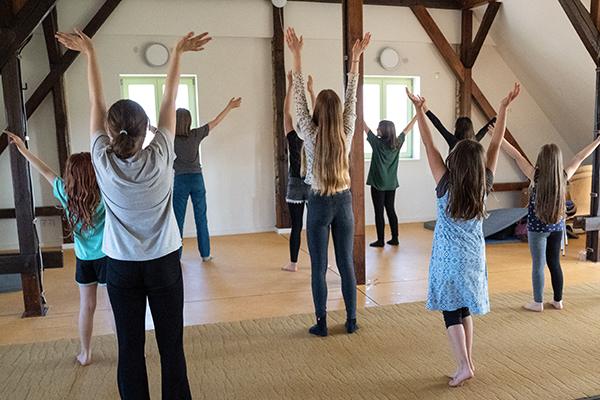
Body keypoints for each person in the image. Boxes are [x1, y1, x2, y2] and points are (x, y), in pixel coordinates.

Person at [56, 28, 211, 399]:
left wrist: (90, 52)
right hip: (163, 264)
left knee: (130, 350)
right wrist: (177, 53)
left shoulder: (101, 160)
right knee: (171, 348)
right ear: (146, 134)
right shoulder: (162, 155)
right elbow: (170, 99)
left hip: (121, 268)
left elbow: (96, 100)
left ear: (110, 134)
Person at [407, 83, 521, 387]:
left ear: (454, 162)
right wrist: (503, 110)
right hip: (473, 254)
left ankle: (463, 365)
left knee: (451, 311)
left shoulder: (445, 182)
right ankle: (468, 362)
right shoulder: (484, 182)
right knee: (464, 307)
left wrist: (419, 111)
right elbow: (495, 144)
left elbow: (429, 144)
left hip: (448, 257)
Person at [286, 26, 371, 336]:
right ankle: (351, 321)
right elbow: (352, 94)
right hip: (344, 202)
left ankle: (321, 324)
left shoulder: (309, 132)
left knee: (319, 267)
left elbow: (298, 94)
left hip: (319, 202)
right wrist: (356, 61)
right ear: (338, 112)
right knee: (346, 264)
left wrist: (296, 54)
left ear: (318, 111)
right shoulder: (346, 130)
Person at [4, 131, 106, 367]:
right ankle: (131, 353)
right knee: (119, 307)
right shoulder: (103, 195)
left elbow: (46, 171)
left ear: (70, 175)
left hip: (84, 259)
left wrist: (22, 148)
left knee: (87, 306)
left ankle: (86, 353)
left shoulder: (64, 193)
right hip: (108, 258)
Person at [499, 134, 600, 312]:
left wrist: (499, 138)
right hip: (557, 228)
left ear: (541, 160)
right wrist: (598, 141)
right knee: (554, 262)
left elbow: (516, 156)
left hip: (537, 229)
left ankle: (537, 302)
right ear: (558, 161)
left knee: (538, 264)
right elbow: (580, 157)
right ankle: (558, 300)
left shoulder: (534, 176)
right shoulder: (563, 176)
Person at [172, 97, 241, 262]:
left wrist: (149, 126)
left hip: (180, 181)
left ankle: (176, 256)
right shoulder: (196, 134)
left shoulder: (171, 138)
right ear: (188, 122)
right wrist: (229, 106)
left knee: (177, 220)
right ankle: (205, 254)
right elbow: (215, 122)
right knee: (201, 218)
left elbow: (158, 132)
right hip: (197, 180)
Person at [363, 115, 417, 247]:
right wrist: (417, 115)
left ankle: (380, 240)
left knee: (379, 212)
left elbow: (365, 127)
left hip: (377, 184)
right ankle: (395, 238)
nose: (377, 129)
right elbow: (406, 129)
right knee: (391, 210)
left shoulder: (377, 143)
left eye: (379, 128)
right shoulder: (397, 143)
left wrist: (358, 113)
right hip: (391, 184)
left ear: (384, 130)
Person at [281, 71, 315, 273]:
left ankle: (293, 263)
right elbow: (319, 114)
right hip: (312, 184)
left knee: (296, 227)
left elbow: (285, 113)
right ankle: (318, 261)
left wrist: (290, 85)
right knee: (314, 227)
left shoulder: (293, 137)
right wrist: (311, 91)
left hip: (295, 185)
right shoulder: (314, 137)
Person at [422, 103, 496, 151]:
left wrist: (425, 109)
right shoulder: (474, 141)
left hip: (453, 174)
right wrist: (497, 118)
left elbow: (438, 125)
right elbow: (484, 130)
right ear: (471, 128)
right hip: (472, 175)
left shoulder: (453, 141)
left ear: (457, 128)